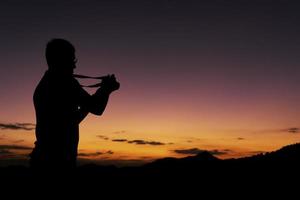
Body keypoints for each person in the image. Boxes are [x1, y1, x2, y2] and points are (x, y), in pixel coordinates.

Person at [30, 38, 120, 170]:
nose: (74, 66)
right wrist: (106, 89)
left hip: (44, 158)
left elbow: (70, 120)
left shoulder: (45, 84)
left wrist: (100, 93)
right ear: (60, 60)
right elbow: (96, 108)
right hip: (57, 161)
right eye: (71, 61)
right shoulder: (65, 83)